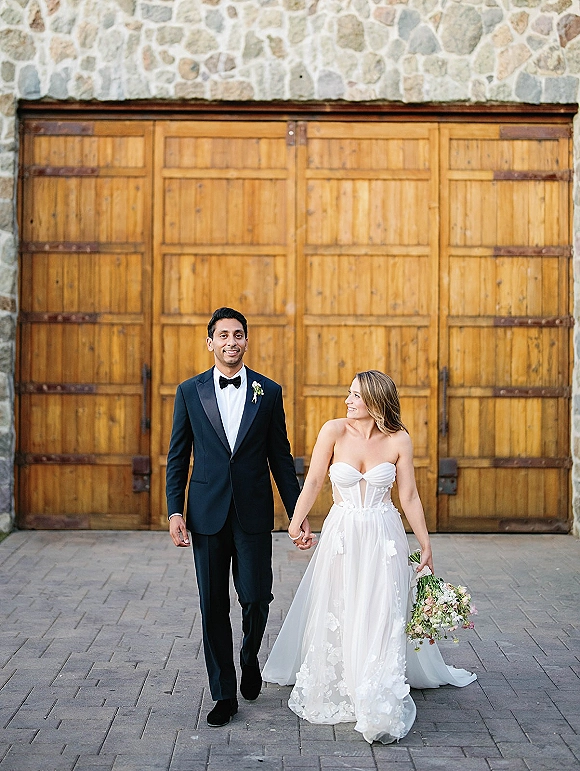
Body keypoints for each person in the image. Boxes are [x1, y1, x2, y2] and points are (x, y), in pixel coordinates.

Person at [262, 370, 476, 744]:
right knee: (342, 607)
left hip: (383, 536)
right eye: (348, 394)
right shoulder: (333, 431)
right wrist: (296, 523)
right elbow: (313, 481)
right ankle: (344, 681)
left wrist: (425, 543)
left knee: (382, 612)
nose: (348, 401)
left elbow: (408, 496)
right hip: (342, 535)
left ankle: (376, 694)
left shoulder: (399, 439)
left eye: (356, 396)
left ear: (375, 401)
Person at [166, 307, 312, 728]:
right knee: (212, 605)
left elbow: (280, 458)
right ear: (210, 342)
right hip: (206, 514)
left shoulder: (268, 391)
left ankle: (250, 656)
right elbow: (178, 456)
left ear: (246, 341)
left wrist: (297, 512)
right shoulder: (189, 392)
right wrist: (176, 510)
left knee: (256, 597)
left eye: (238, 335)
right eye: (223, 335)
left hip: (252, 514)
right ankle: (224, 695)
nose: (231, 342)